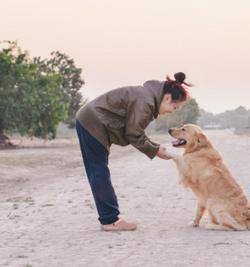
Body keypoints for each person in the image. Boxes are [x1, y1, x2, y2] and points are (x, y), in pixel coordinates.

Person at [75, 72, 192, 231]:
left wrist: (155, 146)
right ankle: (110, 220)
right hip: (93, 122)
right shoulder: (145, 101)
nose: (172, 111)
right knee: (99, 170)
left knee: (98, 169)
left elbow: (135, 130)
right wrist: (155, 151)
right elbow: (133, 134)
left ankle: (108, 218)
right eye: (174, 106)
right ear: (167, 97)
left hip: (92, 120)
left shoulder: (147, 99)